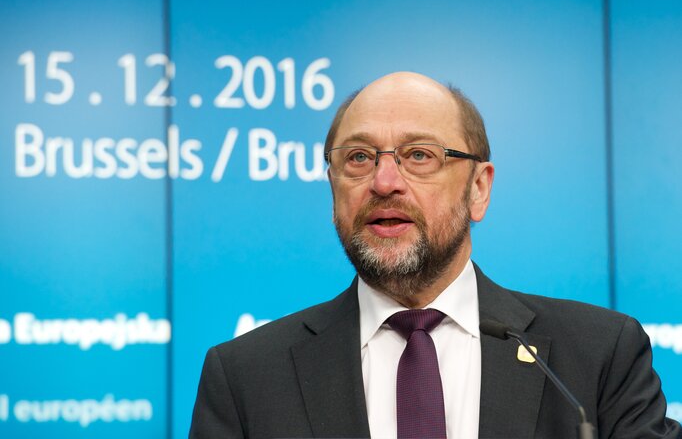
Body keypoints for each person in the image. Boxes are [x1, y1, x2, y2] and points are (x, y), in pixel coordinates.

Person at [189, 72, 681, 438]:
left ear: (479, 189)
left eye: (419, 155)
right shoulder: (246, 377)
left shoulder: (597, 358)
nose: (384, 182)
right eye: (359, 158)